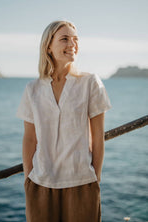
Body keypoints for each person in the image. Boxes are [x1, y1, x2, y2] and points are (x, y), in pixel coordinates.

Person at [16, 20, 111, 222]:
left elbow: (98, 137)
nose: (72, 44)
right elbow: (30, 139)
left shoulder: (90, 83)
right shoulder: (32, 89)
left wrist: (96, 178)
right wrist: (28, 179)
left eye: (75, 39)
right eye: (65, 39)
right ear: (48, 46)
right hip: (40, 183)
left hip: (81, 182)